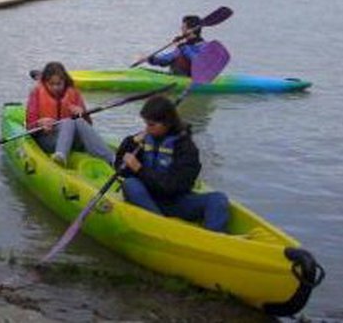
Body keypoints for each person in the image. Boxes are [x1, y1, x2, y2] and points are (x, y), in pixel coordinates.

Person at [114, 95, 230, 233]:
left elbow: (173, 187)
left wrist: (140, 169)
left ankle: (213, 239)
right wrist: (130, 142)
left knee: (218, 199)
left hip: (176, 201)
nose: (147, 129)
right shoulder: (143, 140)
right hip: (145, 198)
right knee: (130, 184)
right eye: (146, 124)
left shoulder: (186, 148)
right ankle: (161, 224)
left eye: (151, 125)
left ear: (167, 123)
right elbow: (119, 169)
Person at [25, 61, 115, 166]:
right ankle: (60, 155)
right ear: (45, 82)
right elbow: (29, 127)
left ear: (65, 81)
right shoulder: (36, 93)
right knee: (68, 121)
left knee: (78, 121)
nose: (55, 88)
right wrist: (39, 123)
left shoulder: (74, 93)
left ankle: (112, 159)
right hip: (47, 140)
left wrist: (83, 114)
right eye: (51, 84)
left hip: (73, 141)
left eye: (59, 84)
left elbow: (88, 125)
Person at [139, 15, 206, 76]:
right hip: (177, 76)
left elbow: (200, 62)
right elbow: (168, 59)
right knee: (141, 69)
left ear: (190, 30)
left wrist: (184, 48)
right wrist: (151, 59)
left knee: (181, 57)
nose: (181, 29)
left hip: (191, 79)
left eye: (183, 27)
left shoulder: (203, 46)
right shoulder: (184, 45)